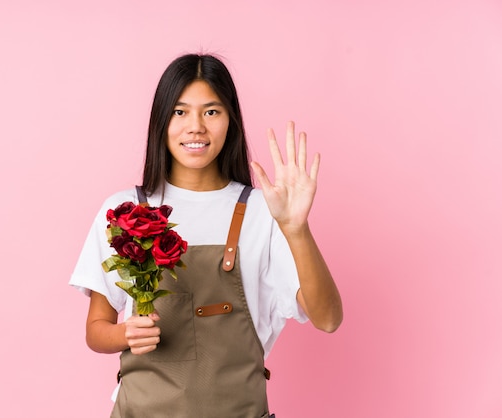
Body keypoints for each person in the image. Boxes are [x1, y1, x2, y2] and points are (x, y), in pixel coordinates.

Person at [70, 53, 343, 418]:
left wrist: (297, 229)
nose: (195, 126)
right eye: (180, 112)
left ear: (230, 120)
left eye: (211, 112)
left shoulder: (267, 210)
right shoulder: (125, 211)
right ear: (161, 121)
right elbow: (96, 330)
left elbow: (327, 319)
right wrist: (126, 334)